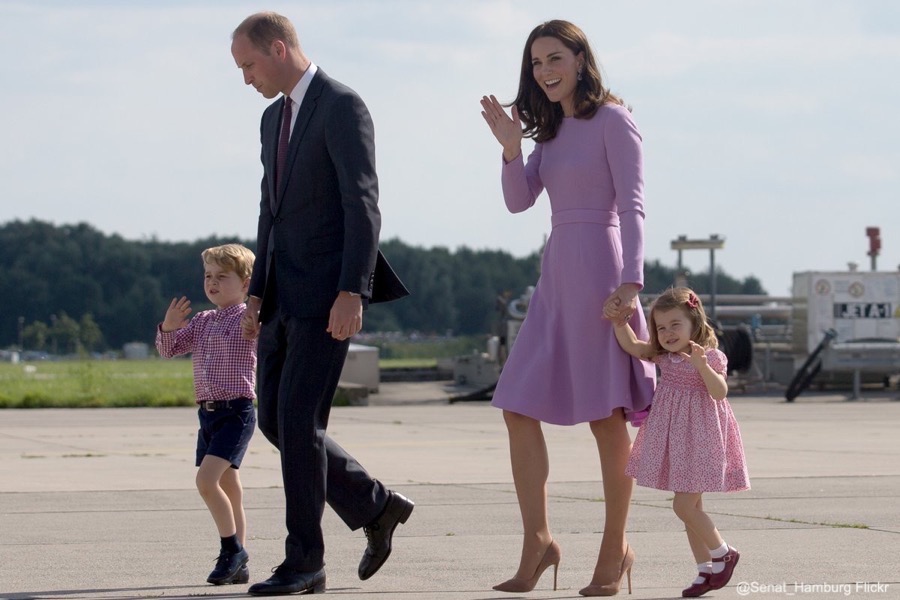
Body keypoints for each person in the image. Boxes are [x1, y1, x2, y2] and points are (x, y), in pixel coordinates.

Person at [230, 12, 412, 596]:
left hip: (328, 296)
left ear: (278, 48)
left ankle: (304, 561)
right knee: (278, 422)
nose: (246, 78)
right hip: (282, 295)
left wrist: (352, 290)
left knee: (301, 424)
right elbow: (270, 211)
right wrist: (256, 293)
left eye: (249, 64)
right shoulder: (269, 120)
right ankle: (374, 504)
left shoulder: (341, 105)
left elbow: (363, 206)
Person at [480, 19, 655, 597]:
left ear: (580, 59)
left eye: (554, 58)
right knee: (516, 403)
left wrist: (632, 282)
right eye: (535, 63)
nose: (544, 72)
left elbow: (633, 206)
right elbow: (517, 202)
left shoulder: (614, 119)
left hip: (603, 274)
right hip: (556, 275)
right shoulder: (549, 132)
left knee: (607, 417)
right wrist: (512, 149)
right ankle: (539, 540)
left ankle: (616, 547)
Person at [610, 287, 750, 598]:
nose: (668, 333)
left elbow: (719, 392)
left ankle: (724, 553)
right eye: (661, 327)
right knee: (691, 508)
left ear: (694, 323)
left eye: (676, 324)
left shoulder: (711, 356)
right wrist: (620, 323)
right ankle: (706, 570)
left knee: (683, 505)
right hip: (678, 439)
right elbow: (634, 347)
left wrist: (702, 366)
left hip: (702, 439)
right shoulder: (664, 356)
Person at [155, 243, 258, 586]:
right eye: (208, 276)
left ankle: (231, 549)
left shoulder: (250, 317)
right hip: (209, 415)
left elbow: (267, 342)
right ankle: (239, 562)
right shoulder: (202, 321)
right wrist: (168, 327)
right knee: (230, 487)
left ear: (245, 283)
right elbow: (169, 351)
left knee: (206, 481)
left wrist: (256, 329)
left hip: (237, 412)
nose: (213, 283)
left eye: (222, 277)